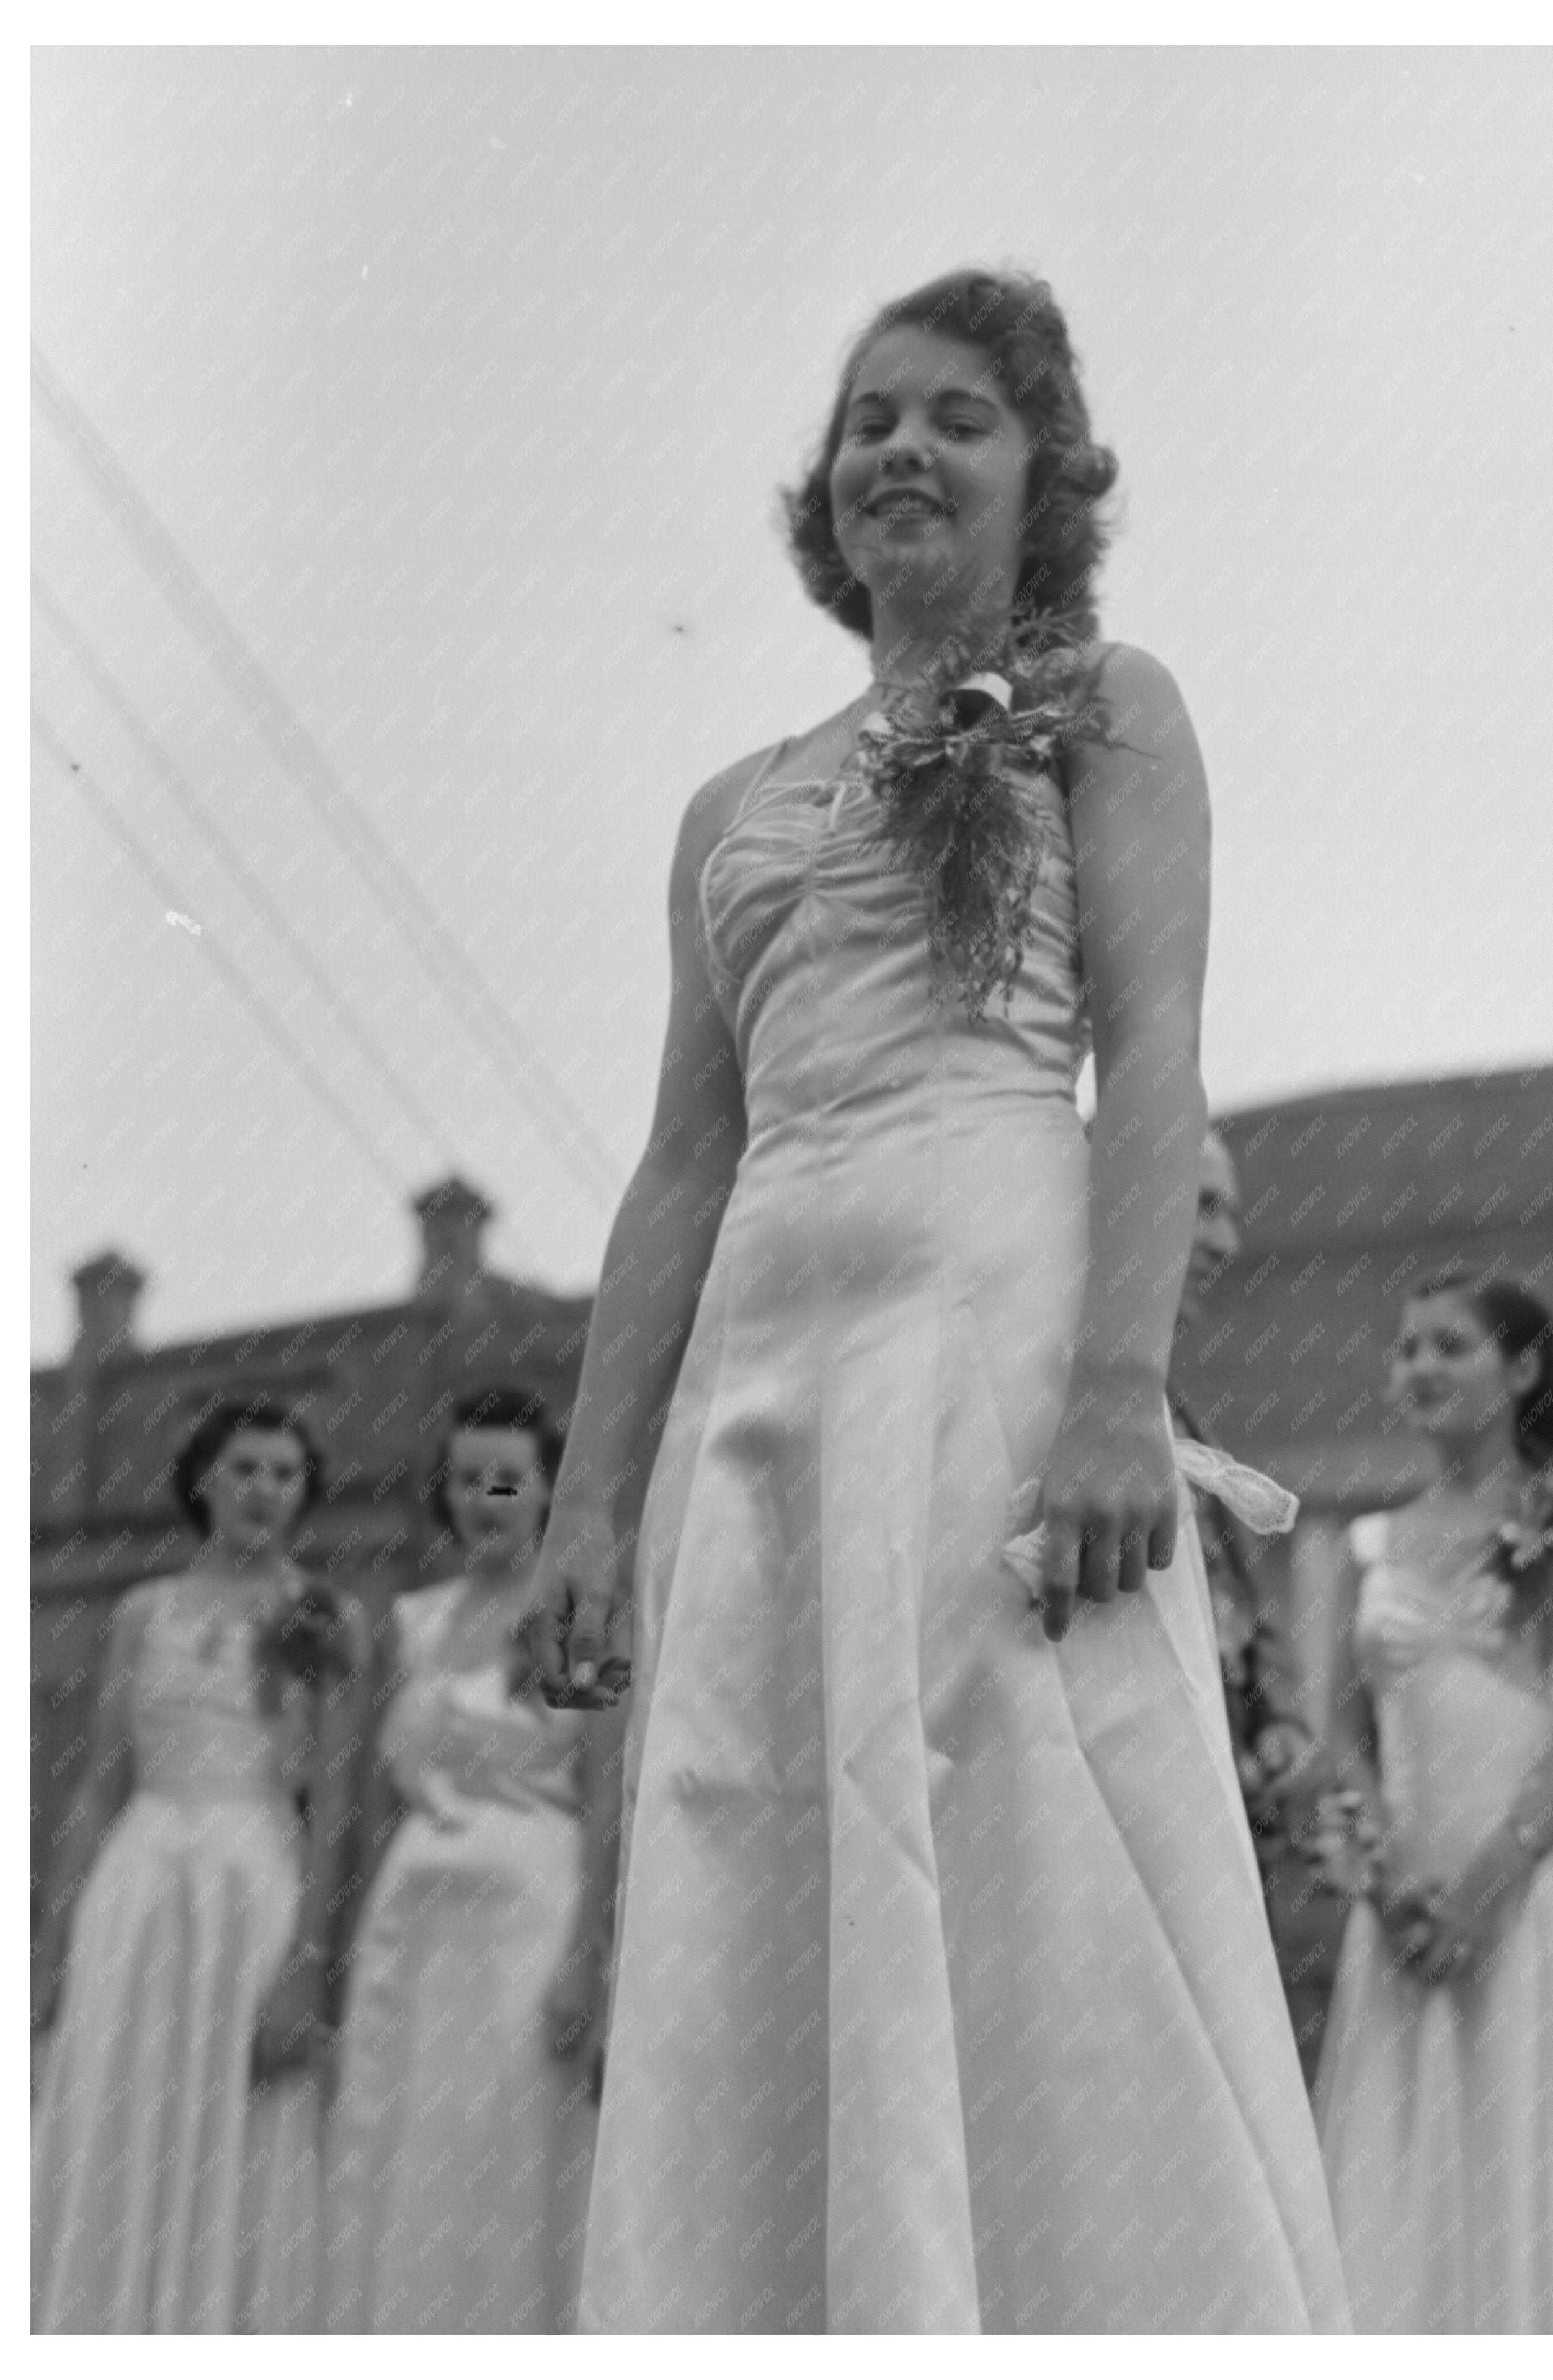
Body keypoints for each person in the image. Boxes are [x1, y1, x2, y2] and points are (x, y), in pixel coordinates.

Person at [521, 267, 1350, 2333]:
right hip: (766, 1384)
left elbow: (1149, 1046)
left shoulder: (1103, 702)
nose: (900, 445)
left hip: (990, 1329)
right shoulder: (728, 808)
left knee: (1032, 1847)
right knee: (759, 1851)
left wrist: (1110, 1390)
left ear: (1040, 473)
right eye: (869, 415)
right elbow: (682, 1161)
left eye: (959, 415)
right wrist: (587, 1498)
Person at [31, 1396, 365, 2333]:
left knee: (234, 2123)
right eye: (246, 1468)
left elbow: (335, 1804)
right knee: (118, 2108)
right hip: (136, 1887)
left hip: (250, 1885)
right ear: (205, 1481)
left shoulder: (324, 1614)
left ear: (305, 1494)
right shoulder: (143, 1612)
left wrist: (308, 1965)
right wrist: (51, 1942)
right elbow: (99, 1784)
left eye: (286, 1474)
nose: (265, 1490)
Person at [323, 1387, 621, 2333]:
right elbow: (373, 1806)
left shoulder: (579, 1616)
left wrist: (589, 1954)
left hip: (527, 1915)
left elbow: (610, 1787)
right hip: (408, 1925)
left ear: (545, 1490)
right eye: (463, 1480)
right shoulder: (410, 1624)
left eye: (506, 1478)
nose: (484, 1499)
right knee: (399, 2146)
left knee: (509, 2155)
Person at [1310, 1267, 1553, 2332]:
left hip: (1535, 1899)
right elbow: (1342, 1732)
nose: (1417, 1366)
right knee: (1394, 2186)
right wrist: (1393, 1880)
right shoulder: (1363, 1540)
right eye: (1406, 1347)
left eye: (1449, 1345)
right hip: (1402, 1914)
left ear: (1524, 1369)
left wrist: (1487, 1886)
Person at [1170, 1130, 1342, 2085]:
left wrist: (1273, 1717)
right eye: (1201, 1205)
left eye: (1230, 1210)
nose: (1228, 1243)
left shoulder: (1181, 1415)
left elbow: (1240, 1612)